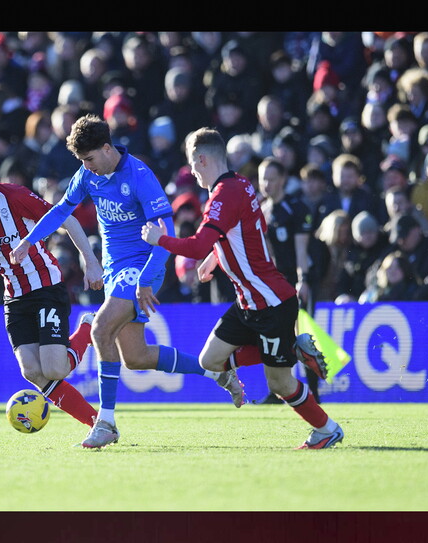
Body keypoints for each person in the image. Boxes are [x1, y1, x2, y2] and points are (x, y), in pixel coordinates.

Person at [9, 114, 245, 449]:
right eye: (82, 162)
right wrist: (28, 241)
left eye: (89, 159)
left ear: (107, 149)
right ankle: (218, 373)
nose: (86, 167)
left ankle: (105, 423)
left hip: (143, 266)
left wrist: (147, 279)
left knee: (100, 329)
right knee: (136, 356)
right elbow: (62, 210)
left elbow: (167, 231)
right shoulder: (89, 174)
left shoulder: (139, 176)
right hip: (115, 270)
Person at [141, 127, 344, 450]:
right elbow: (240, 236)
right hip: (249, 302)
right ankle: (294, 349)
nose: (192, 172)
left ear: (202, 159)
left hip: (272, 302)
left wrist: (159, 239)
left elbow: (194, 246)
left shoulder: (224, 194)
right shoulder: (241, 184)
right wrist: (214, 258)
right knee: (210, 360)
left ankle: (327, 429)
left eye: (193, 165)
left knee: (279, 382)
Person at [0, 144, 104, 433]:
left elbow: (67, 220)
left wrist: (90, 262)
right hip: (14, 298)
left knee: (56, 369)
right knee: (32, 371)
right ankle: (97, 424)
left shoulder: (15, 196)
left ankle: (86, 328)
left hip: (45, 286)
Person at [252, 157, 324, 404]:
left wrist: (302, 280)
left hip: (294, 283)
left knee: (302, 339)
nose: (267, 184)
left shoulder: (296, 209)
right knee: (273, 338)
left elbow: (301, 250)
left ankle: (314, 394)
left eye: (272, 179)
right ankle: (277, 392)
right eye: (263, 179)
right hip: (272, 286)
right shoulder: (261, 209)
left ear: (282, 179)